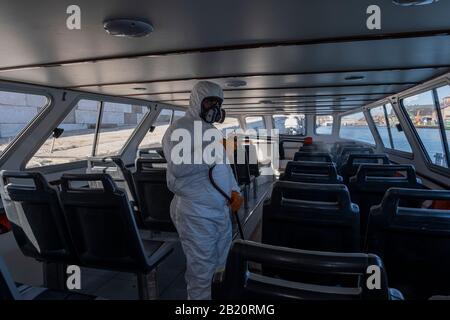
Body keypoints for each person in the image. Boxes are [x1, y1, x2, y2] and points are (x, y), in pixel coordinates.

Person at [162, 81, 243, 300]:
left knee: (222, 264)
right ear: (197, 102)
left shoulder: (213, 131)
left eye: (218, 103)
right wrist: (214, 150)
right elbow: (179, 168)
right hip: (195, 213)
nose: (214, 108)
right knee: (201, 271)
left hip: (219, 210)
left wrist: (235, 191)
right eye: (210, 102)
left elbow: (224, 167)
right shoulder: (179, 128)